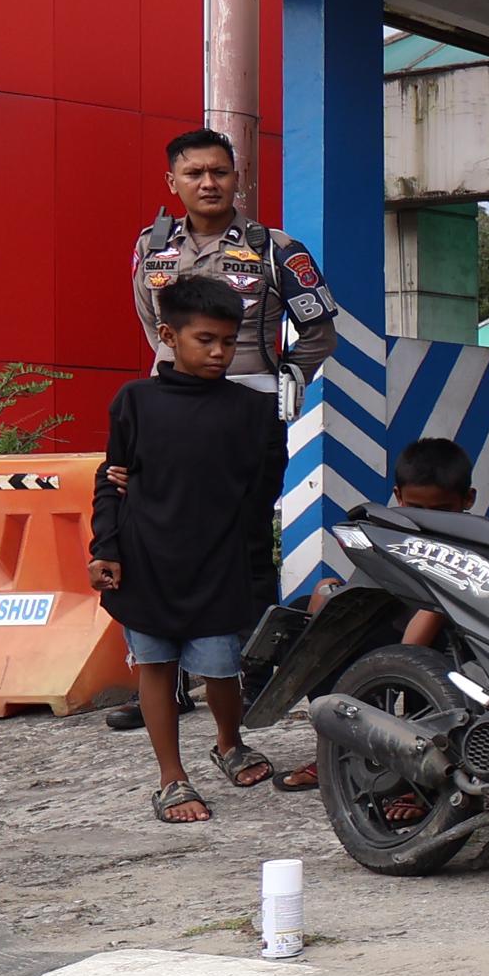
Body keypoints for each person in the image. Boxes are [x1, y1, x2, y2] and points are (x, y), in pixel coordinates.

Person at [90, 277, 297, 822]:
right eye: (205, 339)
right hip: (145, 561)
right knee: (155, 666)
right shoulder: (133, 402)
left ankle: (228, 742)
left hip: (218, 564)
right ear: (167, 335)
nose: (219, 352)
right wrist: (104, 548)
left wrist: (253, 570)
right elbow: (110, 480)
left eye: (228, 341)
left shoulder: (255, 412)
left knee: (220, 667)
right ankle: (172, 779)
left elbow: (261, 497)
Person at [129, 127, 333, 402]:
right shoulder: (151, 245)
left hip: (251, 399)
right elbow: (152, 323)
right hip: (169, 398)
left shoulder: (276, 248)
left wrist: (283, 386)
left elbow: (319, 335)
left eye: (220, 173)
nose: (209, 183)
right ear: (172, 181)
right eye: (194, 174)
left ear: (237, 179)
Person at [386, 438, 477, 650]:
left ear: (468, 499)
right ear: (398, 496)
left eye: (441, 511)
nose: (427, 520)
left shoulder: (474, 549)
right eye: (416, 508)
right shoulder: (388, 542)